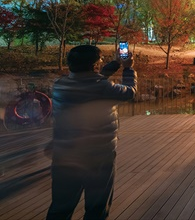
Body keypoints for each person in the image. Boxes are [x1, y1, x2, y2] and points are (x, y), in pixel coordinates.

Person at [46, 45, 137, 220]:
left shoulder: (59, 85)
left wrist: (115, 64)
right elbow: (130, 92)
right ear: (95, 65)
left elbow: (90, 80)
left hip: (65, 155)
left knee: (61, 207)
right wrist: (127, 68)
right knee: (96, 207)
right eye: (99, 62)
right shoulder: (103, 87)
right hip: (98, 155)